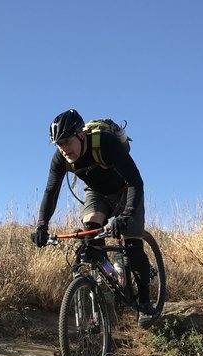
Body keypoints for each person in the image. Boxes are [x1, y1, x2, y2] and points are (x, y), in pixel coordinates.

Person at [31, 108, 155, 327]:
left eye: (67, 141)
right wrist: (42, 225)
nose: (64, 148)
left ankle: (145, 304)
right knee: (90, 239)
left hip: (126, 191)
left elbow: (136, 182)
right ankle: (102, 297)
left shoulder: (105, 143)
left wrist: (126, 214)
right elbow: (51, 191)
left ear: (81, 134)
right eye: (59, 144)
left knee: (133, 246)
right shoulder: (61, 158)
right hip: (97, 193)